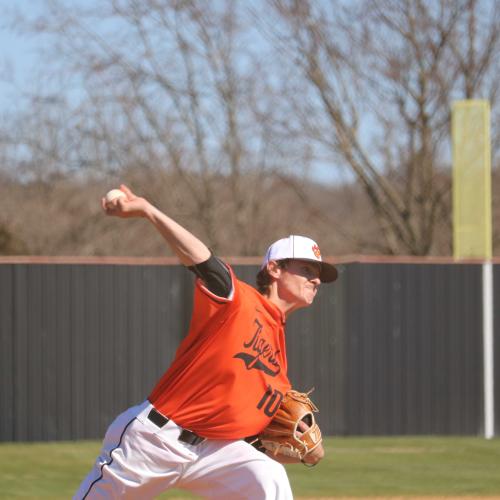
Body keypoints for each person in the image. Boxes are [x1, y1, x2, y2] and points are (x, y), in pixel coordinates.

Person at [75, 184, 338, 499]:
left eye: (318, 274)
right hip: (154, 441)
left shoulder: (278, 362)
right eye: (306, 269)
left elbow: (259, 441)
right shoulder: (239, 301)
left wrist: (305, 452)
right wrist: (148, 211)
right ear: (274, 269)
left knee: (268, 478)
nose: (316, 279)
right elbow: (203, 260)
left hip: (214, 452)